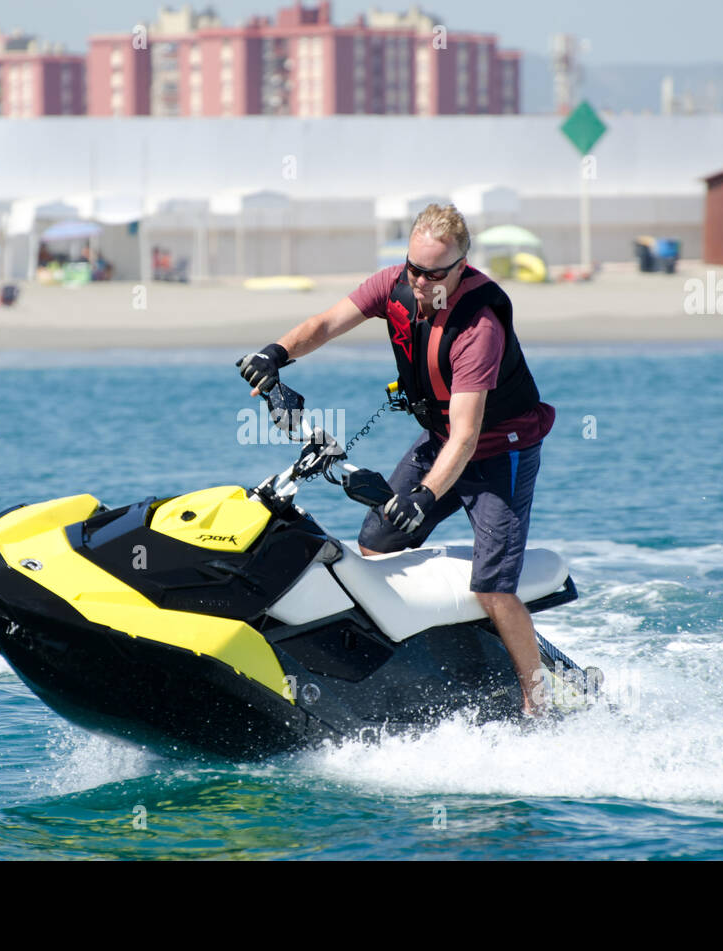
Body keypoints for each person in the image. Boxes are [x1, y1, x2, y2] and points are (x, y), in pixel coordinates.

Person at [236, 204, 557, 717]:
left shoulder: (479, 327)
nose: (422, 281)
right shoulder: (393, 286)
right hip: (441, 439)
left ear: (461, 267)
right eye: (414, 268)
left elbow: (469, 435)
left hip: (500, 451)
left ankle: (538, 701)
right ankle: (418, 652)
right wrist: (276, 353)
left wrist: (425, 496)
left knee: (494, 589)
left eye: (435, 273)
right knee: (376, 543)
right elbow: (323, 324)